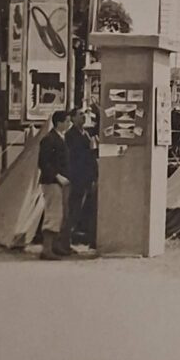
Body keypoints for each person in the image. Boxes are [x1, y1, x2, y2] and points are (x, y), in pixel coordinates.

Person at [37, 110, 72, 260]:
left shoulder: (60, 138)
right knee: (53, 214)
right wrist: (57, 176)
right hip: (52, 182)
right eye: (67, 121)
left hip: (60, 181)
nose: (69, 124)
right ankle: (46, 249)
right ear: (59, 122)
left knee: (60, 214)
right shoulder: (49, 139)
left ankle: (55, 246)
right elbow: (43, 163)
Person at [63, 107, 98, 252]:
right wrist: (90, 149)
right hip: (78, 177)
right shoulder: (71, 135)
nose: (83, 117)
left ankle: (89, 240)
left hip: (88, 177)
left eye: (84, 114)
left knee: (87, 210)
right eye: (80, 115)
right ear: (72, 118)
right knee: (74, 210)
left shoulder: (86, 134)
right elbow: (77, 156)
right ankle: (64, 242)